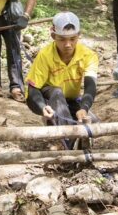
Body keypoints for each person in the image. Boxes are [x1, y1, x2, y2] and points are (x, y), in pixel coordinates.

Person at [25, 12, 99, 150]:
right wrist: (42, 107)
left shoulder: (88, 55)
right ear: (53, 37)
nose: (68, 44)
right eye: (62, 39)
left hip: (71, 100)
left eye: (72, 39)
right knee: (57, 93)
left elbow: (90, 86)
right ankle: (67, 145)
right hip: (49, 98)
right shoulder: (45, 55)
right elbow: (32, 88)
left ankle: (70, 139)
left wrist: (84, 108)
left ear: (79, 35)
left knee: (94, 123)